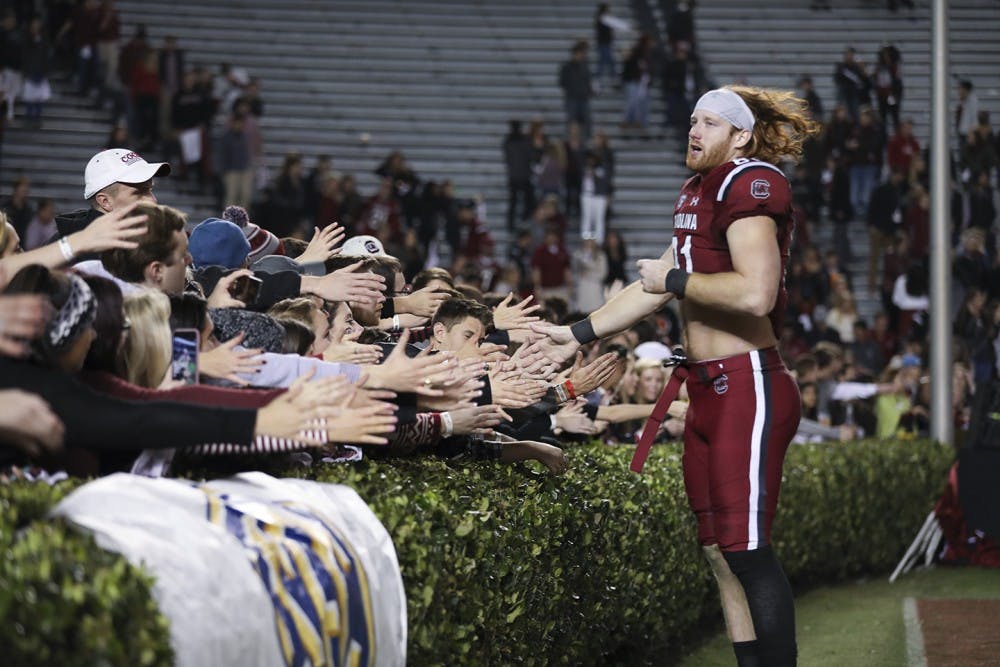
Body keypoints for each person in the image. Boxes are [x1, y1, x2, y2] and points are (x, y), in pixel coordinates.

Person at [530, 85, 819, 666]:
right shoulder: (698, 191)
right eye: (692, 120)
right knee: (717, 551)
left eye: (710, 123)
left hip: (748, 382)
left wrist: (675, 283)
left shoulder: (750, 182)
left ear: (740, 135)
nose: (694, 130)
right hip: (708, 386)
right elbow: (653, 284)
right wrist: (577, 333)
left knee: (749, 551)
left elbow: (756, 293)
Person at [558, 40, 592, 139]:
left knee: (587, 120)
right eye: (580, 54)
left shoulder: (585, 66)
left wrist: (588, 90)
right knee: (571, 120)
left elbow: (588, 80)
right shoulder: (567, 67)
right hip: (572, 98)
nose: (581, 56)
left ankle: (586, 140)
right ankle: (570, 140)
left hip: (583, 98)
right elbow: (562, 82)